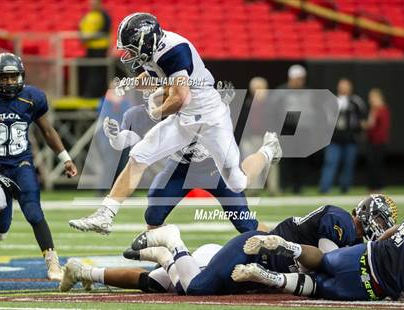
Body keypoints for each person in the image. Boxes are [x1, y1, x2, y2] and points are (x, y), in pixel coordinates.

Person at [70, 13, 281, 234]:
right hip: (185, 119)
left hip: (210, 119)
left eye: (132, 48)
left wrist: (155, 112)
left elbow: (181, 97)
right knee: (139, 155)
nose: (129, 54)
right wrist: (131, 83)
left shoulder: (174, 50)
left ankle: (267, 150)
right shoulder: (154, 49)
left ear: (146, 41)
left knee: (237, 182)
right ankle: (106, 214)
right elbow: (151, 78)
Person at [69, 84, 266, 234]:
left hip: (213, 169)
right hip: (179, 168)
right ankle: (164, 259)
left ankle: (266, 153)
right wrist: (116, 136)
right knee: (153, 214)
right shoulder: (165, 108)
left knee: (246, 224)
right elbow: (136, 139)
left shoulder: (214, 112)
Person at [116, 194, 396, 295]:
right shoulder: (341, 222)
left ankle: (165, 256)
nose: (381, 230)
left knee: (179, 286)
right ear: (368, 213)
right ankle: (171, 239)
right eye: (381, 223)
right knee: (197, 288)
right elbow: (329, 263)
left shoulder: (351, 236)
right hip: (252, 252)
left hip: (260, 267)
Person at [0, 53, 78, 280]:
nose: (9, 82)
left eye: (13, 77)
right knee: (1, 222)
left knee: (33, 211)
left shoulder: (32, 97)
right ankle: (3, 219)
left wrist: (66, 158)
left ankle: (52, 262)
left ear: (21, 76)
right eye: (4, 78)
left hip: (20, 163)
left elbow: (47, 131)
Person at [232, 211, 404, 301]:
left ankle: (289, 247)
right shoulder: (340, 220)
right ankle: (273, 278)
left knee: (322, 260)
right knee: (316, 287)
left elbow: (393, 232)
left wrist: (377, 245)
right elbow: (403, 292)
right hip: (376, 284)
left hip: (366, 251)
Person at [59, 243, 223, 293]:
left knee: (151, 281)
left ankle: (84, 272)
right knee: (191, 288)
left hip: (211, 256)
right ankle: (166, 258)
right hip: (210, 262)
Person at [319, 78, 367, 194]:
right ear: (338, 87)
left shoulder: (356, 101)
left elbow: (362, 119)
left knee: (348, 165)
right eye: (342, 86)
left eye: (346, 86)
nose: (344, 88)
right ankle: (325, 188)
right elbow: (324, 119)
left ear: (351, 88)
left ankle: (345, 188)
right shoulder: (332, 100)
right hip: (334, 139)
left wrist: (359, 132)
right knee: (331, 163)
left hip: (350, 139)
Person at [275, 65, 307, 194]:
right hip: (286, 130)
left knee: (300, 160)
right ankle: (284, 185)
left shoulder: (306, 92)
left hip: (302, 131)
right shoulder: (281, 92)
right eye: (298, 79)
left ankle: (297, 186)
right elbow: (276, 113)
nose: (300, 82)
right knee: (286, 160)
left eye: (302, 79)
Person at [79, 0, 111, 98]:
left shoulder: (104, 16)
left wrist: (90, 37)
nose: (92, 6)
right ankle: (89, 93)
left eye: (94, 4)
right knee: (90, 71)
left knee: (98, 72)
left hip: (100, 49)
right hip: (90, 48)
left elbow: (104, 30)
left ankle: (97, 94)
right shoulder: (88, 15)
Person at [363, 88, 391, 191]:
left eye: (372, 97)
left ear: (379, 97)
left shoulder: (383, 110)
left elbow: (374, 125)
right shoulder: (373, 110)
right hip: (371, 141)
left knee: (377, 164)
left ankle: (379, 186)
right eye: (370, 97)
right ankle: (372, 186)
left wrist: (366, 125)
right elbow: (370, 125)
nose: (370, 100)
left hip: (379, 142)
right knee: (371, 164)